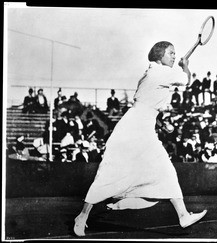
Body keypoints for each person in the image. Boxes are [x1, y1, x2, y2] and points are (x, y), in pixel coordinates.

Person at [74, 41, 207, 236]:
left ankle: (183, 215)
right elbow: (186, 80)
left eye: (175, 53)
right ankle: (82, 216)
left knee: (166, 171)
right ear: (159, 56)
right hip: (132, 129)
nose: (173, 56)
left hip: (144, 126)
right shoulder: (160, 72)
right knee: (109, 173)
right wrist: (185, 65)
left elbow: (149, 105)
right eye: (170, 53)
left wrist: (160, 123)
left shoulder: (154, 72)